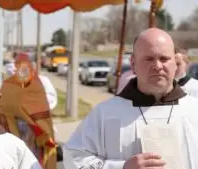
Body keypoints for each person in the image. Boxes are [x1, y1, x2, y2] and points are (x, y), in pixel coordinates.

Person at [63, 28, 198, 169]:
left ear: (175, 63)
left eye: (164, 59)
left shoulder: (194, 110)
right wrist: (122, 167)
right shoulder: (105, 113)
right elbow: (74, 158)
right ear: (133, 64)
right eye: (148, 59)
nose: (157, 66)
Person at [0, 53, 57, 169]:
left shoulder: (41, 81)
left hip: (37, 127)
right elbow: (2, 106)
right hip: (13, 127)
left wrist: (30, 110)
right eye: (19, 63)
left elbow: (50, 100)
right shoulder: (8, 84)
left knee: (34, 159)